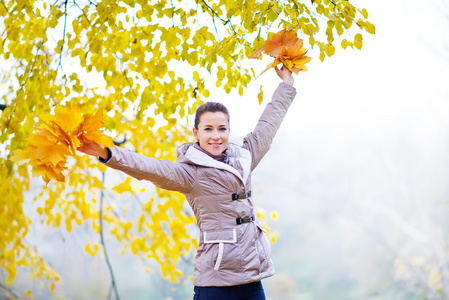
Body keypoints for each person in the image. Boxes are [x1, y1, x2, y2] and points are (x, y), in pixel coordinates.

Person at [78, 65, 297, 300]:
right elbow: (148, 167)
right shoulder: (190, 173)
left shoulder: (244, 158)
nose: (216, 136)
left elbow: (268, 125)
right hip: (215, 284)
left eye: (222, 129)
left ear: (229, 130)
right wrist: (107, 153)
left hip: (252, 281)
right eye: (208, 129)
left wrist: (287, 84)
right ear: (196, 133)